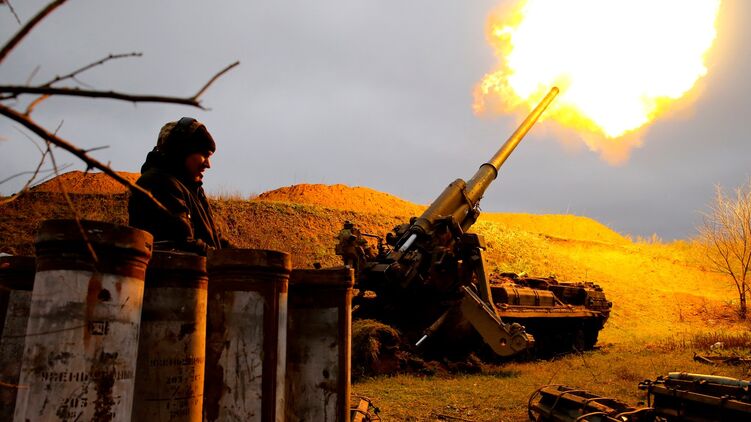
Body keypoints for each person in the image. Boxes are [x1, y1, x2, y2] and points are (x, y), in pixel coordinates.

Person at [128, 117, 230, 255]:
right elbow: (182, 243)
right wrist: (220, 259)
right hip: (170, 269)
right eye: (204, 155)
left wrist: (243, 256)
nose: (208, 164)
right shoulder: (159, 183)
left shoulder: (193, 188)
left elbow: (214, 238)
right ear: (182, 151)